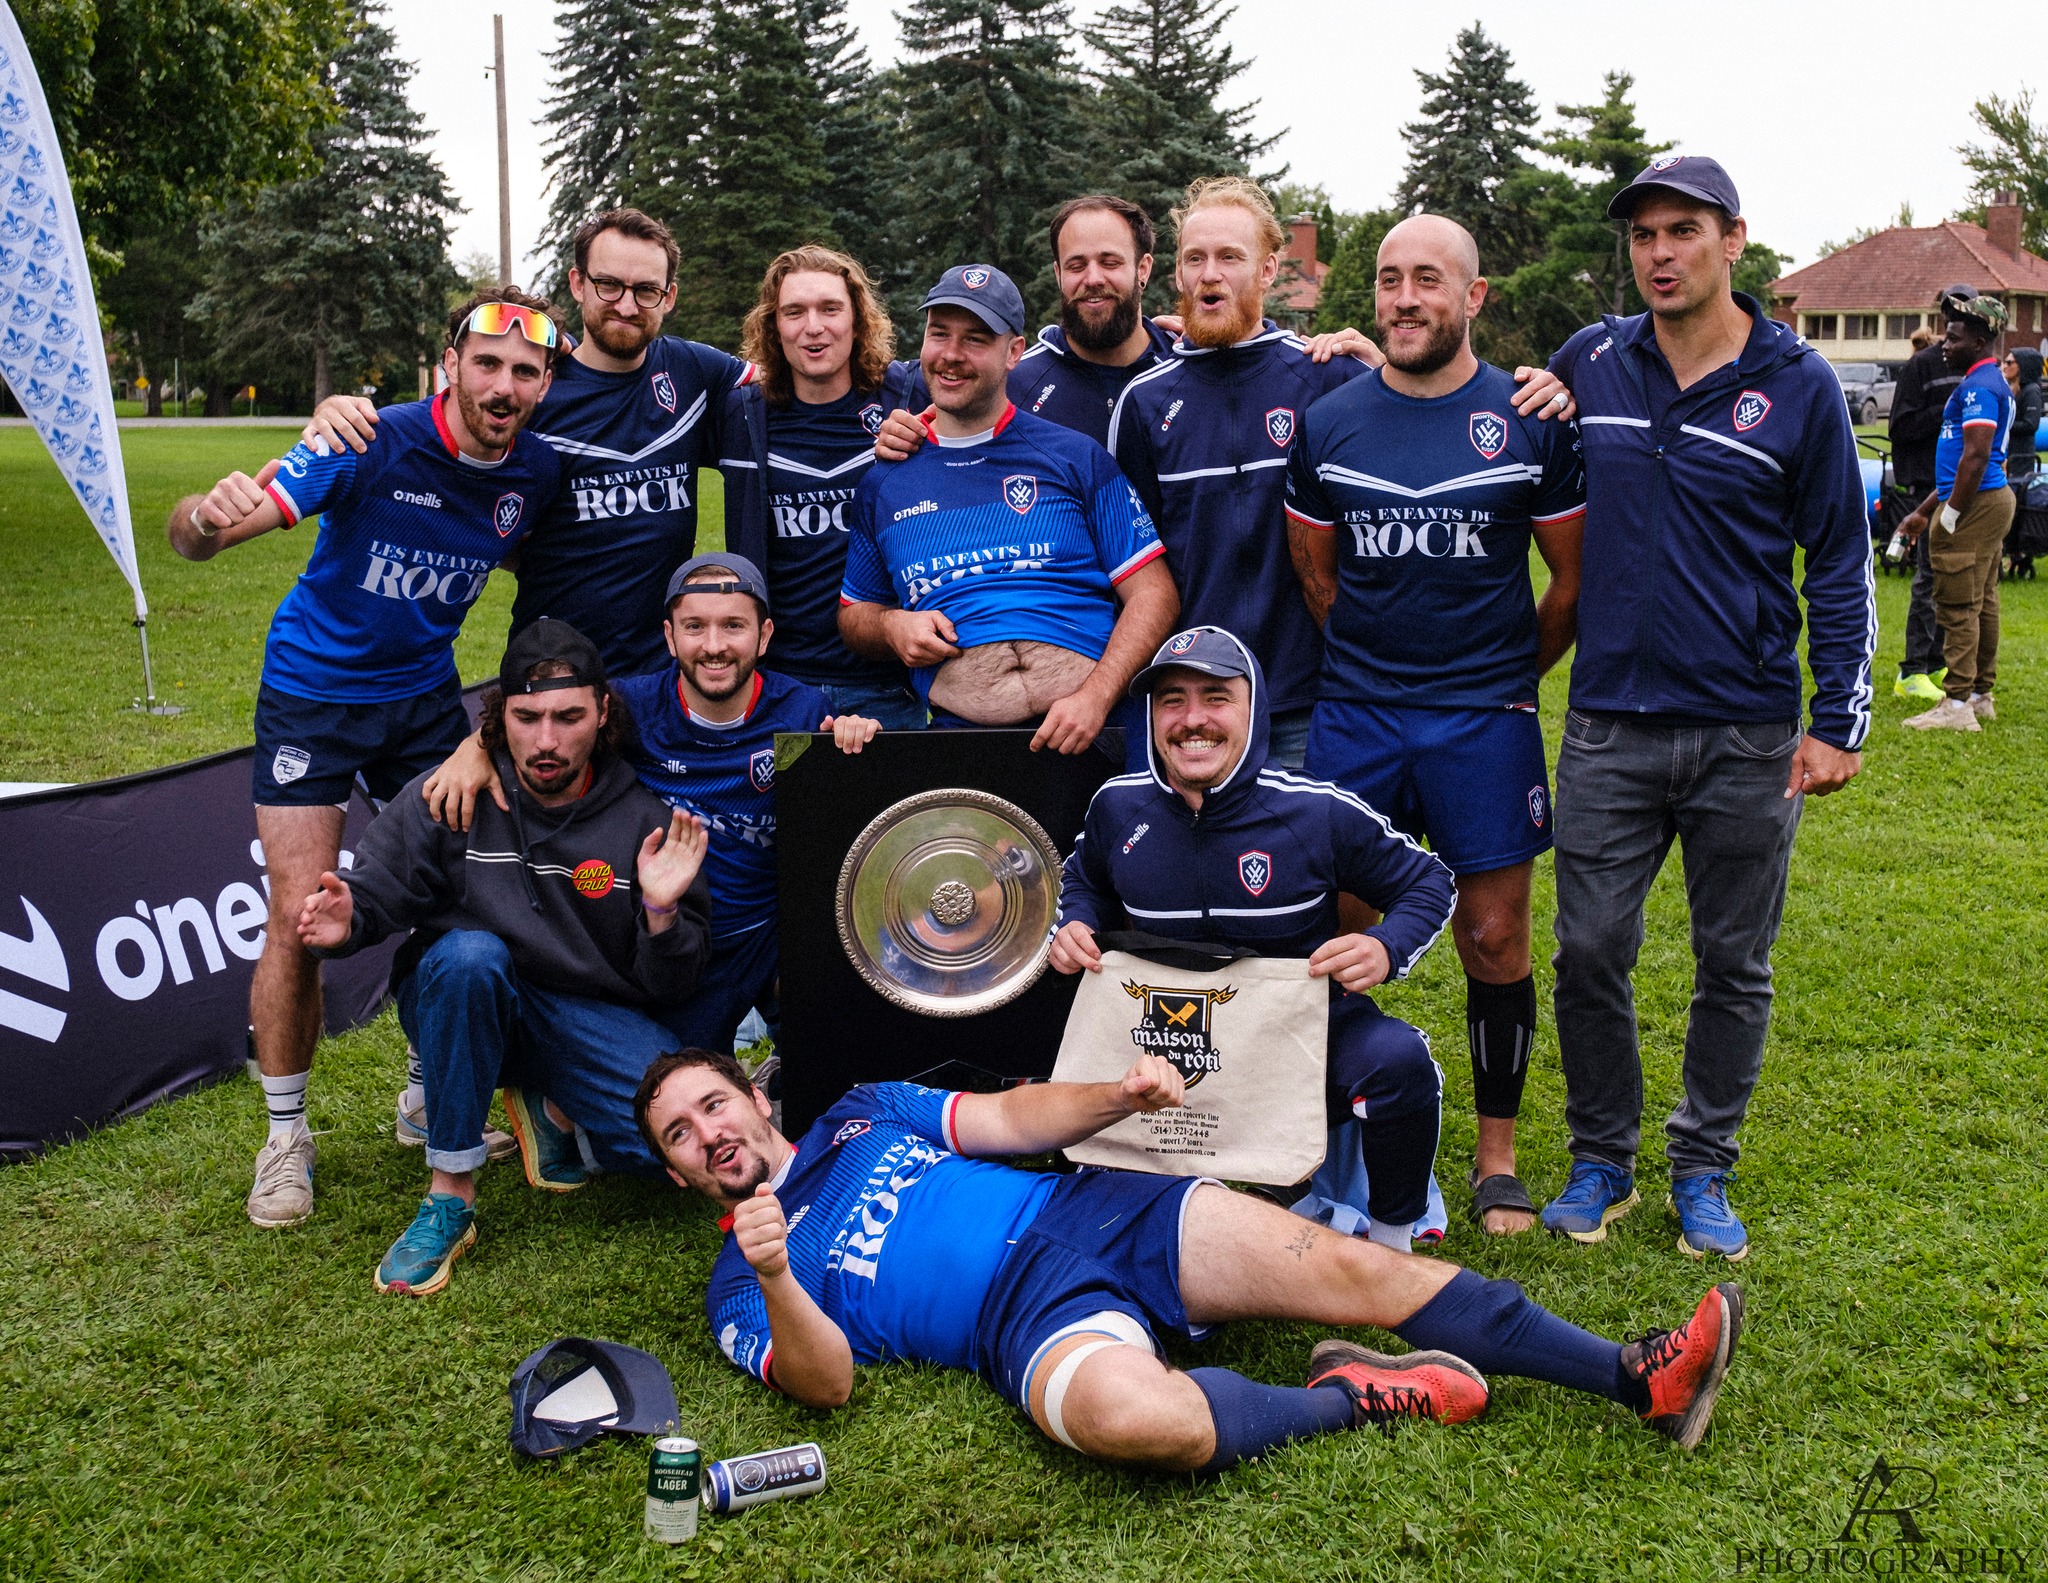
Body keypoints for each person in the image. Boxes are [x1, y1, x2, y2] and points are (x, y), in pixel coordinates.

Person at [636, 1046, 1745, 1470]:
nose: (709, 1132)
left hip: (1099, 1210)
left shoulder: (858, 1111)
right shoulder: (735, 1286)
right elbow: (825, 1385)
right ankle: (1354, 1394)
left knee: (1365, 1271)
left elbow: (1010, 1116)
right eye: (680, 1136)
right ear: (683, 1176)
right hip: (1020, 1321)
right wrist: (779, 1269)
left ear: (753, 1093)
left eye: (711, 1103)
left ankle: (1631, 1373)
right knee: (1144, 1425)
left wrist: (1110, 1096)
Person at [165, 290, 566, 1231]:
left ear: (545, 384)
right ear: (449, 364)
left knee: (469, 890)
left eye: (524, 371)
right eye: (487, 364)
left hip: (425, 702)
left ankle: (428, 1090)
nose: (502, 386)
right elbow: (213, 533)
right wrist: (204, 513)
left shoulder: (536, 472)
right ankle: (284, 1136)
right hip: (313, 695)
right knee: (302, 917)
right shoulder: (364, 438)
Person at [1540, 156, 1873, 1261]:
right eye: (1641, 237)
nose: (1658, 255)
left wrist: (1837, 719)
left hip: (1744, 729)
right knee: (1589, 947)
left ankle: (1702, 1165)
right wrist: (1350, 352)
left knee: (1734, 963)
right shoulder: (1590, 360)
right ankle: (1601, 1157)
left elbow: (1836, 556)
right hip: (1606, 726)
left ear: (1733, 239)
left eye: (1681, 231)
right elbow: (1469, 415)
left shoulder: (1799, 384)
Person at [1284, 215, 1586, 1237]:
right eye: (1386, 280)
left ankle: (1495, 1160)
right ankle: (1333, 1144)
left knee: (1493, 934)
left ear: (1473, 296)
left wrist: (1503, 677)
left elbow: (1569, 583)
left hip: (1483, 719)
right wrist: (1381, 663)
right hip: (1358, 711)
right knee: (1337, 929)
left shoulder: (1529, 415)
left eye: (1427, 280)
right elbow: (1315, 570)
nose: (1404, 298)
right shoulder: (1330, 420)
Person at [295, 620, 714, 1296]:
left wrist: (663, 914)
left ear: (602, 712)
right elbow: (375, 894)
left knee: (661, 1150)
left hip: (578, 1015)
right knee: (469, 958)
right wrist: (350, 920)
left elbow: (675, 979)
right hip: (466, 993)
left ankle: (552, 1109)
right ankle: (449, 1196)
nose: (546, 739)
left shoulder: (643, 819)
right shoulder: (451, 793)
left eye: (568, 716)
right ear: (498, 717)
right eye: (527, 717)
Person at [1105, 178, 1579, 772]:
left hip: (1312, 699)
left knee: (1319, 863)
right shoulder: (1145, 404)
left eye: (1230, 257)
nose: (1209, 274)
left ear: (1269, 268)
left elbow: (1412, 405)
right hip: (1189, 700)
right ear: (1175, 273)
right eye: (1194, 259)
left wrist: (1381, 363)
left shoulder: (1326, 379)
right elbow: (1129, 573)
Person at [1051, 626, 1456, 1251]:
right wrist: (1073, 922)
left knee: (1397, 1061)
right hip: (1167, 1038)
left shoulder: (1315, 811)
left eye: (1216, 698)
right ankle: (1249, 1200)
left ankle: (1393, 1241)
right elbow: (1082, 879)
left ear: (1254, 708)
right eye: (1172, 700)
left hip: (1290, 1031)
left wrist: (1386, 945)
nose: (1192, 720)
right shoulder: (1117, 807)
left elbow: (1428, 880)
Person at [424, 555, 883, 1058]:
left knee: (844, 1058)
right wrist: (475, 747)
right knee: (669, 1084)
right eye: (694, 627)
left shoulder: (802, 711)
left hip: (768, 933)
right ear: (669, 637)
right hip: (676, 934)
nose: (713, 646)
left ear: (764, 634)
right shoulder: (631, 706)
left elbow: (846, 813)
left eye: (733, 626)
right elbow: (541, 726)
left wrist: (854, 740)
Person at [301, 208, 757, 676]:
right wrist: (337, 409)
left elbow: (789, 383)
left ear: (669, 297)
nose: (626, 305)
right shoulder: (528, 392)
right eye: (609, 285)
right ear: (578, 283)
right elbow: (440, 436)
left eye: (646, 290)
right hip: (552, 671)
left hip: (661, 672)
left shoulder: (695, 369)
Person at [838, 264, 1181, 759]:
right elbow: (854, 615)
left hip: (1096, 729)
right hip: (962, 739)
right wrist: (892, 627)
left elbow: (1154, 594)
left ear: (1014, 353)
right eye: (940, 335)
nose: (951, 355)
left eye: (976, 339)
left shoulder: (1073, 457)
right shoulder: (886, 481)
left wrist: (1095, 697)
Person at [717, 246, 925, 729]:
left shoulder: (909, 399)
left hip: (889, 683)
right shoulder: (739, 413)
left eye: (830, 309)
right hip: (781, 685)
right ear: (774, 326)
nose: (814, 327)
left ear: (858, 320)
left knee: (894, 807)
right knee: (797, 808)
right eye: (795, 312)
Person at [875, 195, 1179, 453]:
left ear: (1143, 268)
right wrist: (901, 435)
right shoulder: (1011, 381)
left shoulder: (1186, 365)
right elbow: (941, 423)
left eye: (1110, 262)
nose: (1093, 279)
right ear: (1058, 274)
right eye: (1077, 265)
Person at [1896, 290, 2015, 731]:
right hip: (1983, 500)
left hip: (1975, 502)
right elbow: (1959, 462)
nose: (1945, 345)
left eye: (1954, 338)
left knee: (1957, 603)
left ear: (1979, 344)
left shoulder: (1980, 386)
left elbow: (1975, 456)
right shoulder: (1985, 380)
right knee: (1982, 600)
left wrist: (1951, 513)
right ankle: (1981, 693)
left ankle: (1958, 705)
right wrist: (1926, 509)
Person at [1887, 317, 1965, 700]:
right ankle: (1912, 670)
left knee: (1950, 577)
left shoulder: (1974, 368)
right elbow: (1900, 427)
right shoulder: (1922, 366)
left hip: (1960, 487)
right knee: (1929, 578)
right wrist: (1949, 414)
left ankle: (1935, 663)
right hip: (1927, 483)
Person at [2000, 346, 2042, 579]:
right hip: (2008, 457)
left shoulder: (2031, 391)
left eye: (2010, 362)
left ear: (2022, 367)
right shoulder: (2012, 389)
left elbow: (2031, 424)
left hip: (2020, 461)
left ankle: (2014, 550)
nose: (2005, 366)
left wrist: (2001, 425)